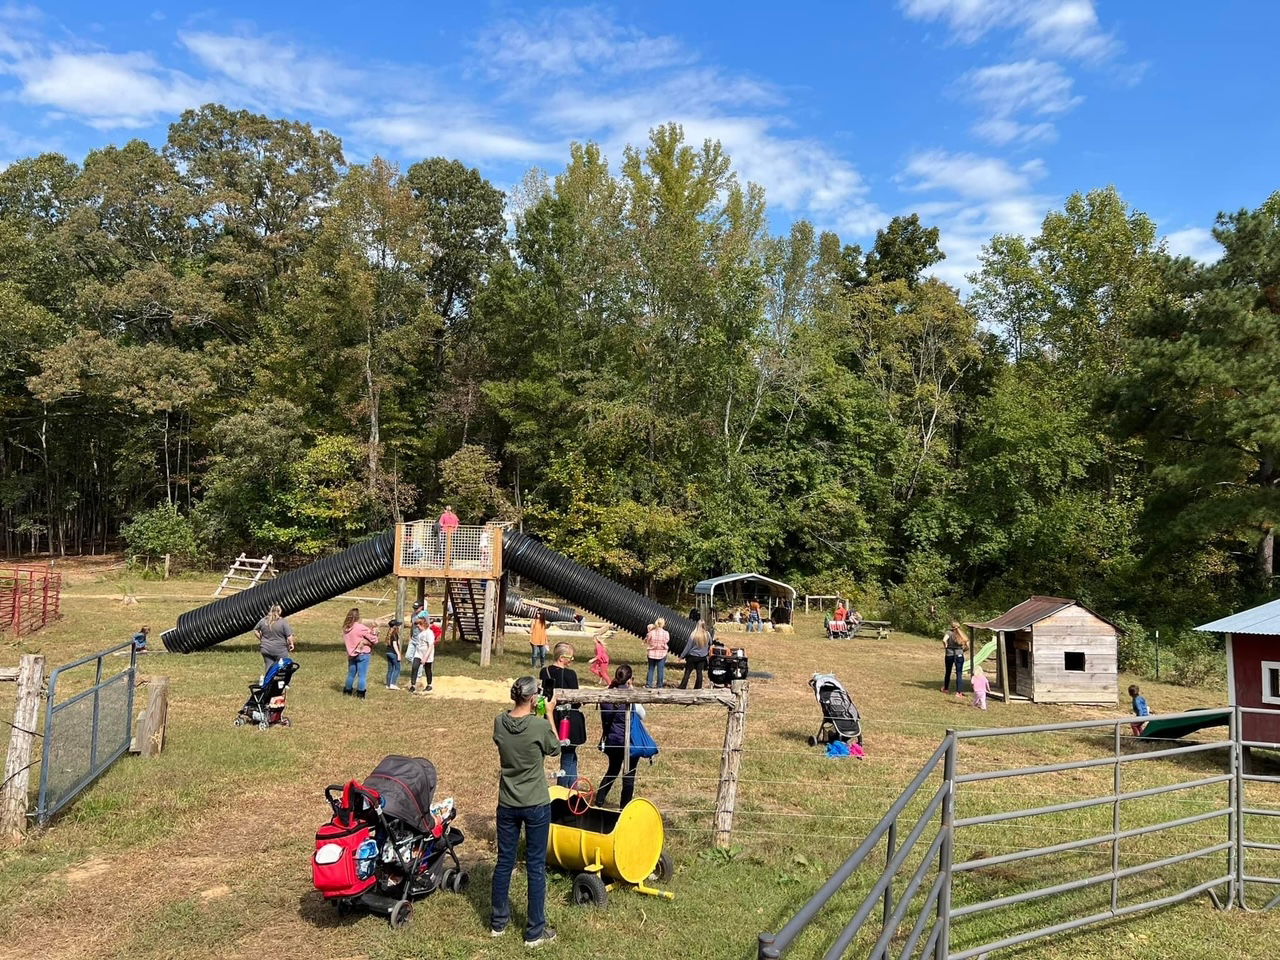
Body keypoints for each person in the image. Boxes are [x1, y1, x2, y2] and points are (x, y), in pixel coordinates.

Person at [490, 676, 560, 948]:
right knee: (535, 866)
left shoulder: (499, 722)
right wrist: (549, 713)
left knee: (504, 862)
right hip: (535, 803)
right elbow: (555, 747)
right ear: (534, 698)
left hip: (507, 802)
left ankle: (498, 923)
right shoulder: (539, 725)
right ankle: (534, 932)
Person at [596, 664, 643, 809]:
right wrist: (633, 690)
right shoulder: (631, 696)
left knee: (612, 771)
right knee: (629, 777)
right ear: (629, 680)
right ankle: (624, 808)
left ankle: (599, 800)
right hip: (629, 741)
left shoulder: (607, 696)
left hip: (613, 739)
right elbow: (642, 714)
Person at [541, 643, 581, 788]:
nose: (572, 660)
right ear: (562, 658)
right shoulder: (571, 674)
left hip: (551, 716)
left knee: (571, 754)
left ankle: (573, 787)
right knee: (568, 754)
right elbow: (576, 701)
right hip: (568, 720)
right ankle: (564, 790)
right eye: (571, 657)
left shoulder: (544, 671)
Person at [342, 607, 379, 698]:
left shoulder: (346, 628)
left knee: (351, 675)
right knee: (362, 675)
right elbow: (374, 640)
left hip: (351, 654)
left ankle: (347, 690)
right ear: (358, 617)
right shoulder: (360, 627)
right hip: (363, 654)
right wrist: (375, 633)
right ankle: (360, 693)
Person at [254, 604, 295, 675]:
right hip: (280, 650)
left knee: (269, 666)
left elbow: (255, 630)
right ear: (279, 611)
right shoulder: (283, 622)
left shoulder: (263, 621)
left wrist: (261, 639)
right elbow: (289, 636)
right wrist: (291, 644)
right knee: (283, 666)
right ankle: (283, 683)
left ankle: (268, 683)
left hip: (265, 648)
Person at [679, 620, 711, 689]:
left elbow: (688, 647)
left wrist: (681, 656)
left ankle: (682, 686)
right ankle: (698, 687)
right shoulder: (707, 634)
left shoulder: (693, 634)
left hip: (692, 657)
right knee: (699, 672)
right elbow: (710, 643)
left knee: (687, 672)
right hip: (702, 657)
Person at [407, 615, 435, 693]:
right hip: (418, 653)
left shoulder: (429, 633)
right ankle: (413, 685)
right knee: (414, 667)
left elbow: (431, 646)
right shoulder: (421, 633)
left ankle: (429, 685)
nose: (418, 627)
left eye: (419, 625)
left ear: (423, 625)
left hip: (427, 655)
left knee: (427, 669)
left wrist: (425, 657)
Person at [942, 620, 968, 697]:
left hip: (949, 654)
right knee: (959, 673)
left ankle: (946, 689)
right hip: (959, 655)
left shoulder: (949, 632)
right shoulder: (961, 634)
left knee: (948, 672)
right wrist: (963, 650)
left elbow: (944, 640)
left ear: (951, 626)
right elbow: (967, 645)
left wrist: (946, 646)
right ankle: (959, 692)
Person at [645, 618, 671, 688]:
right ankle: (660, 685)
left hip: (651, 653)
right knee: (660, 670)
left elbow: (647, 640)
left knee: (651, 669)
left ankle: (649, 684)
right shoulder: (666, 633)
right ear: (663, 624)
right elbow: (667, 640)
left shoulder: (651, 633)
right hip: (662, 654)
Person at [384, 620, 404, 690]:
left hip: (388, 652)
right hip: (393, 653)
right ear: (396, 627)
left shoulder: (390, 633)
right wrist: (398, 654)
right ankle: (393, 684)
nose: (400, 626)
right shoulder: (394, 634)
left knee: (390, 669)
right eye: (398, 625)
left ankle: (388, 684)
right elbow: (395, 644)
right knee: (397, 668)